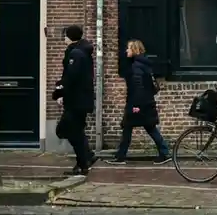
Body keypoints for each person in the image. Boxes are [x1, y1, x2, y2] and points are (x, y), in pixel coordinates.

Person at [107, 40, 171, 165]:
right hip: (146, 102)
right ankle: (163, 152)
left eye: (129, 48)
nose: (126, 50)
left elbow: (138, 87)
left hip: (138, 103)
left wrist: (136, 105)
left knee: (133, 127)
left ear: (135, 50)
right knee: (147, 127)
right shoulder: (144, 64)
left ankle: (121, 157)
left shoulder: (136, 66)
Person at [52, 25, 97, 175]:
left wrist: (60, 93)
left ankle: (84, 161)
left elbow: (70, 77)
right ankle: (86, 158)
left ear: (70, 37)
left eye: (65, 35)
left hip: (76, 100)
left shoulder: (76, 54)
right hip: (79, 99)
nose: (64, 38)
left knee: (66, 129)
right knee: (75, 130)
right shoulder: (80, 51)